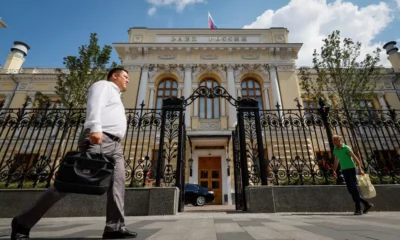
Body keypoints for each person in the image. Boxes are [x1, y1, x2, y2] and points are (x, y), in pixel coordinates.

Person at [11, 68, 137, 239]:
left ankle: (114, 227)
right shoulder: (104, 86)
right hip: (100, 139)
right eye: (125, 77)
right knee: (69, 182)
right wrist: (95, 128)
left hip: (115, 145)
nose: (128, 80)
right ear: (114, 76)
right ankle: (22, 222)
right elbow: (95, 105)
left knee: (118, 185)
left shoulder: (116, 96)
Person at [332, 135, 374, 215]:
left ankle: (358, 208)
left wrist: (360, 169)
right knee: (350, 190)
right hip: (344, 170)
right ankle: (366, 203)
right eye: (333, 140)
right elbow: (336, 161)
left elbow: (355, 157)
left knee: (353, 188)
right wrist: (334, 171)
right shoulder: (335, 149)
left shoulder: (346, 147)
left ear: (340, 139)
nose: (333, 142)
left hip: (352, 169)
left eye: (335, 140)